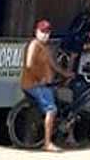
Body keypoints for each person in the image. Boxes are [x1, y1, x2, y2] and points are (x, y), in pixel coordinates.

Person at [21, 19, 72, 152]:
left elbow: (53, 64)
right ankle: (47, 143)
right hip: (34, 84)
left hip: (45, 84)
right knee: (51, 109)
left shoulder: (46, 47)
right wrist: (40, 78)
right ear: (36, 32)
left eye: (47, 32)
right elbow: (29, 65)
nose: (45, 35)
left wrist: (65, 73)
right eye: (42, 32)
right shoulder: (34, 45)